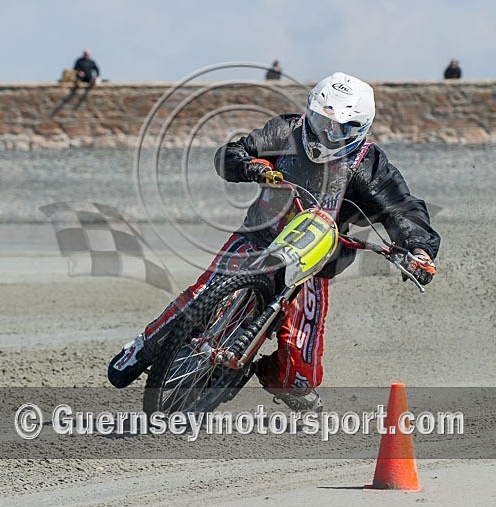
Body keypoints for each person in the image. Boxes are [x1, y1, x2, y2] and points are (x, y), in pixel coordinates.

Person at [107, 72, 440, 412]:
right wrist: (252, 166)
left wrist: (418, 249)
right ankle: (144, 346)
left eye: (337, 128)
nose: (325, 133)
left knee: (300, 379)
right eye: (319, 121)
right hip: (257, 236)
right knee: (203, 292)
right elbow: (232, 152)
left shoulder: (368, 163)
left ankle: (264, 370)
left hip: (313, 264)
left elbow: (402, 208)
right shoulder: (287, 130)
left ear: (358, 129)